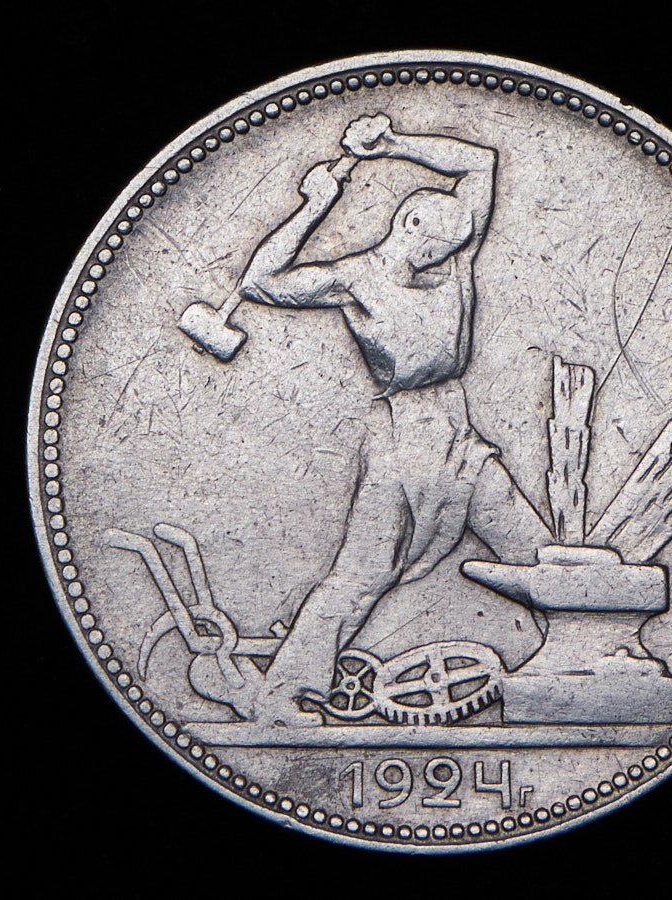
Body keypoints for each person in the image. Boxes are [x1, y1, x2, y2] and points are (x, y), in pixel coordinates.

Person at [236, 113, 553, 725]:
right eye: (434, 246)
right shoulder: (354, 278)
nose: (443, 258)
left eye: (452, 249)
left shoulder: (454, 259)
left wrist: (392, 144)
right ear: (408, 224)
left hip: (460, 440)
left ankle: (568, 671)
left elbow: (480, 161)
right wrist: (313, 206)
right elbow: (259, 282)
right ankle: (281, 696)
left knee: (538, 557)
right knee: (360, 575)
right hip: (403, 442)